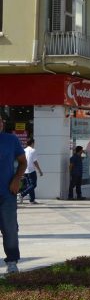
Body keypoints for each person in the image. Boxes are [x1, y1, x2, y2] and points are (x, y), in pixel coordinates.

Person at [0, 117, 25, 274]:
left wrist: (16, 179)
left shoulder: (11, 140)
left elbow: (23, 162)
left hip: (7, 194)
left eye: (0, 121)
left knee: (10, 229)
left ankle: (12, 262)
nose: (0, 124)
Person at [20, 139, 42, 204]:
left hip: (25, 170)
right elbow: (35, 162)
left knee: (29, 185)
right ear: (32, 143)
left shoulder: (24, 150)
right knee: (33, 185)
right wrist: (39, 170)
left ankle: (32, 200)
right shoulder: (33, 150)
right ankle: (22, 194)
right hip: (31, 170)